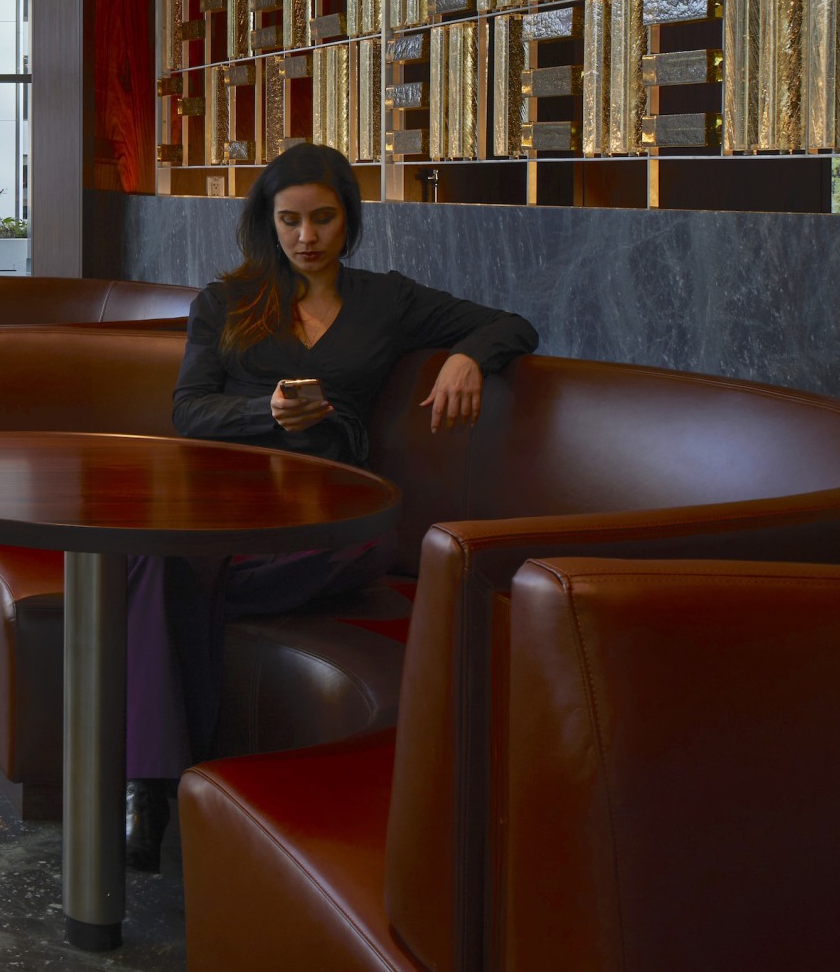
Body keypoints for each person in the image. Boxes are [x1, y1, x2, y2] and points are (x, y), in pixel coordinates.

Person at [127, 140, 536, 870]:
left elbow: (511, 321)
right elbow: (189, 413)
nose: (306, 237)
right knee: (157, 552)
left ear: (348, 218)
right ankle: (154, 787)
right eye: (289, 221)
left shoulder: (387, 299)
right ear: (267, 222)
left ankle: (151, 779)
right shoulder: (226, 301)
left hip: (333, 517)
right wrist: (267, 411)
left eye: (322, 218)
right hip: (233, 505)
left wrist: (468, 355)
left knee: (170, 573)